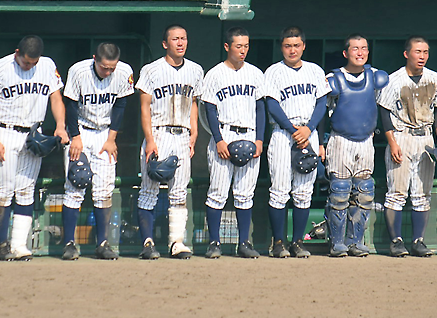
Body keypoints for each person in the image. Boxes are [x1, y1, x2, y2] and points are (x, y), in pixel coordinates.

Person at [0, 36, 68, 261]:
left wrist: (60, 126)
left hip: (33, 133)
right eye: (26, 61)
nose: (29, 66)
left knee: (25, 191)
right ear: (17, 52)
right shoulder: (0, 68)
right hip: (6, 130)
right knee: (4, 190)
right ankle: (2, 245)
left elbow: (56, 98)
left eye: (33, 62)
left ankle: (19, 245)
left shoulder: (47, 65)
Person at [60, 43, 134, 261]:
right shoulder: (78, 71)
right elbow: (71, 106)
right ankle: (69, 244)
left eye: (112, 67)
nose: (108, 71)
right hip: (80, 129)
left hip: (104, 132)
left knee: (104, 190)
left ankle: (102, 243)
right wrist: (75, 138)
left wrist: (112, 138)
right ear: (95, 59)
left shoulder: (124, 71)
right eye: (104, 67)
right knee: (75, 184)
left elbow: (120, 106)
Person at [135, 25, 203, 260]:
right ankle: (147, 242)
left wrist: (194, 133)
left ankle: (176, 242)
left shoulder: (195, 70)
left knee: (179, 192)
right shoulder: (151, 70)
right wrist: (150, 140)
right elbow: (144, 107)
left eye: (183, 38)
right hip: (159, 132)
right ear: (165, 44)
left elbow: (194, 103)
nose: (180, 43)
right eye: (175, 39)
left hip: (182, 134)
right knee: (149, 189)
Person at [376, 36, 437, 257]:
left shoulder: (435, 78)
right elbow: (384, 113)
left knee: (422, 194)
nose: (422, 56)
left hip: (425, 138)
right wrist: (392, 142)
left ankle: (418, 241)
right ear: (407, 54)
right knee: (396, 193)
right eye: (418, 52)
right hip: (401, 136)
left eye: (425, 52)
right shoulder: (393, 80)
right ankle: (396, 242)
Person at [263, 27, 330, 259]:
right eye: (287, 46)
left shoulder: (314, 70)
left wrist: (309, 130)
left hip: (308, 132)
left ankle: (298, 242)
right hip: (284, 133)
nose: (292, 50)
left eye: (296, 45)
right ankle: (279, 243)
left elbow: (322, 104)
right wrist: (294, 131)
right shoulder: (273, 72)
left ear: (303, 46)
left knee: (304, 192)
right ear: (281, 47)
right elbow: (271, 105)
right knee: (279, 191)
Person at [201, 27, 266, 259]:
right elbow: (209, 108)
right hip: (224, 133)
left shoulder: (256, 74)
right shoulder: (215, 74)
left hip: (248, 134)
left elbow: (260, 107)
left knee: (245, 194)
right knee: (217, 193)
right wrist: (218, 140)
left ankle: (244, 243)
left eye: (246, 46)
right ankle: (214, 243)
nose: (243, 50)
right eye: (238, 46)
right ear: (227, 46)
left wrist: (259, 139)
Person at [323, 34, 388, 257]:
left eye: (364, 49)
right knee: (340, 192)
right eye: (355, 49)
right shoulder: (334, 79)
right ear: (345, 53)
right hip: (341, 139)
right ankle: (337, 242)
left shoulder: (375, 76)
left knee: (364, 192)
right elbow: (323, 111)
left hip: (366, 140)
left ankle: (356, 241)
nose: (360, 53)